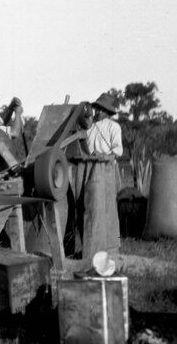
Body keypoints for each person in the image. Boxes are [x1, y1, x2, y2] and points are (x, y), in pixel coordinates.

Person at [69, 92, 124, 256]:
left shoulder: (113, 127)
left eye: (100, 109)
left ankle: (109, 247)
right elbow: (85, 149)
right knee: (87, 207)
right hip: (88, 170)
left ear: (107, 111)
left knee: (107, 207)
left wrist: (104, 156)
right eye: (96, 109)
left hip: (106, 170)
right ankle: (91, 246)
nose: (97, 112)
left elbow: (118, 151)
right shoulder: (90, 128)